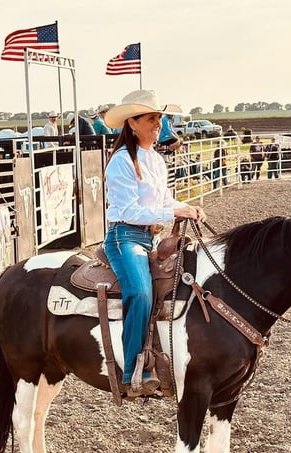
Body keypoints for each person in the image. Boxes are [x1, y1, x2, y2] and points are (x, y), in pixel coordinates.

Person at [102, 89, 206, 397]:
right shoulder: (121, 162)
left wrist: (187, 206)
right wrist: (175, 210)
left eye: (159, 118)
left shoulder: (156, 161)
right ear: (132, 123)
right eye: (151, 119)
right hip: (125, 238)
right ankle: (133, 372)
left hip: (152, 238)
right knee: (140, 292)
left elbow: (163, 200)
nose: (158, 124)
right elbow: (131, 210)